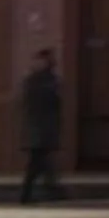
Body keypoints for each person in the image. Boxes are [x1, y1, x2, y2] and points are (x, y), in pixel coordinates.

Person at [19, 48, 65, 204]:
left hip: (43, 127)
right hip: (39, 128)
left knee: (40, 161)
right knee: (37, 162)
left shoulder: (46, 80)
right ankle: (31, 193)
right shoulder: (37, 81)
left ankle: (49, 188)